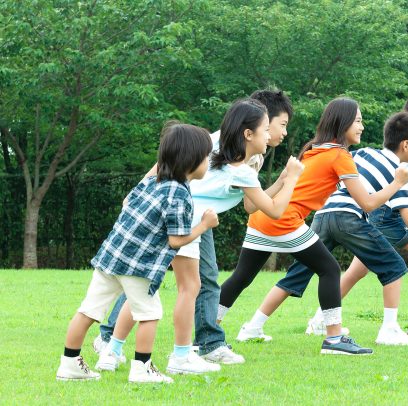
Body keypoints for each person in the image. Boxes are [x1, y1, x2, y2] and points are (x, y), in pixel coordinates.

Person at [97, 98, 304, 374]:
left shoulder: (217, 152)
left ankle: (112, 350)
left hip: (168, 220)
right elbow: (275, 211)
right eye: (267, 129)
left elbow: (168, 164)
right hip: (184, 225)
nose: (270, 135)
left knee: (147, 288)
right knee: (186, 289)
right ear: (248, 134)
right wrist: (291, 178)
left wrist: (139, 192)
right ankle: (180, 357)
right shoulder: (240, 170)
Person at [218, 98, 408, 355]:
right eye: (358, 120)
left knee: (241, 277)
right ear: (342, 124)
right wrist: (397, 182)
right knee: (330, 269)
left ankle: (208, 331)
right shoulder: (339, 156)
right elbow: (367, 203)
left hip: (262, 219)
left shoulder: (314, 150)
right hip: (285, 221)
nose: (362, 126)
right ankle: (333, 339)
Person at [56, 123, 214, 383]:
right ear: (191, 160)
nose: (208, 162)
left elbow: (128, 203)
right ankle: (142, 368)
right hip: (139, 265)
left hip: (110, 258)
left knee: (88, 310)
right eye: (206, 157)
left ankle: (69, 363)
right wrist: (204, 225)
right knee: (149, 315)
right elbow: (176, 241)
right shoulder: (179, 193)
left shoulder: (153, 181)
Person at [308, 95, 408, 338]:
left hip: (380, 212)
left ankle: (321, 319)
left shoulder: (391, 150)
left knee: (357, 271)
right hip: (392, 214)